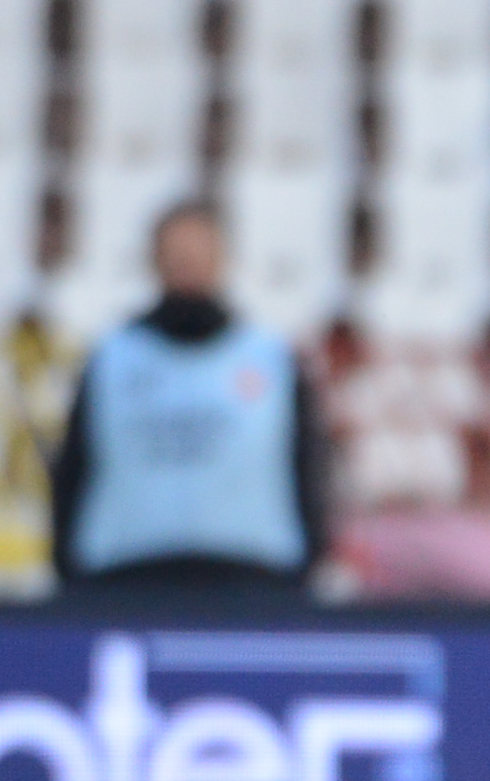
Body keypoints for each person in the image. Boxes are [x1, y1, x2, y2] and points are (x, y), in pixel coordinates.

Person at [49, 199, 329, 598]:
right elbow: (76, 468)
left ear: (223, 259)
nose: (187, 265)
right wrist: (68, 566)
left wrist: (308, 563)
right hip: (125, 574)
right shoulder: (112, 358)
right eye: (176, 254)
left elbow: (306, 468)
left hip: (253, 577)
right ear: (154, 260)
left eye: (198, 253)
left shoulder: (270, 360)